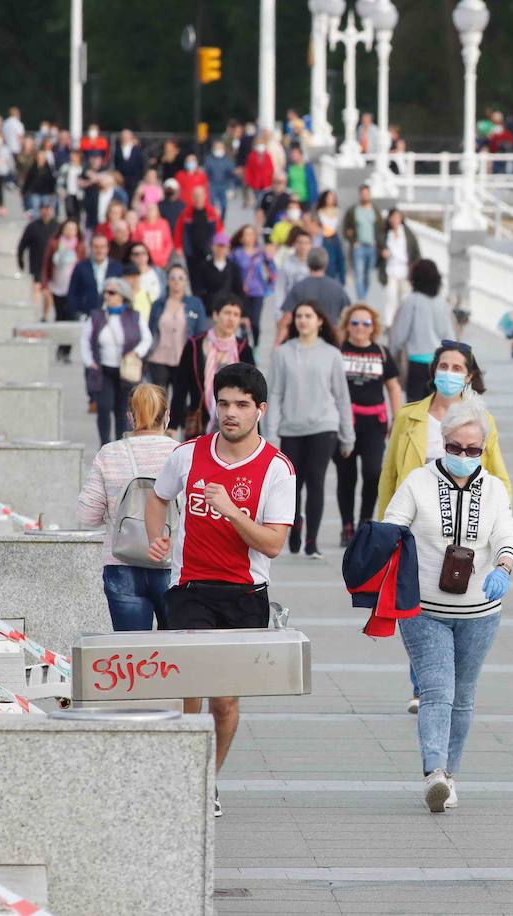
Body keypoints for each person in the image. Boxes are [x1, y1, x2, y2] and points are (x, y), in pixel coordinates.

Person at [147, 363, 296, 818]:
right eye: (224, 403)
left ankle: (209, 777)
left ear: (260, 410)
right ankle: (184, 776)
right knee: (188, 686)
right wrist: (158, 535)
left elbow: (272, 543)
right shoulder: (187, 454)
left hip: (245, 592)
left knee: (225, 699)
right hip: (189, 585)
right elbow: (157, 496)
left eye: (241, 406)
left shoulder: (277, 469)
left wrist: (231, 510)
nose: (230, 413)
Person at [382, 397, 513, 812]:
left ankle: (451, 776)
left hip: (480, 612)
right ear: (443, 442)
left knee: (464, 695)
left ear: (484, 449)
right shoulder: (417, 482)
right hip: (424, 608)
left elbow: (507, 534)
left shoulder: (494, 489)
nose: (463, 456)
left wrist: (504, 567)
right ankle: (434, 773)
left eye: (473, 450)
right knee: (437, 689)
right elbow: (391, 527)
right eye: (455, 448)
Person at [378, 341, 513, 714]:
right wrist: (385, 529)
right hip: (417, 524)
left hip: (466, 528)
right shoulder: (409, 416)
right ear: (433, 370)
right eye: (444, 366)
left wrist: (499, 514)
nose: (449, 374)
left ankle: (442, 687)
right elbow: (390, 474)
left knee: (456, 603)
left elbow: (497, 470)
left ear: (469, 376)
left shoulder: (483, 420)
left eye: (458, 368)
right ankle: (425, 686)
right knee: (419, 603)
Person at [77, 383, 181, 631]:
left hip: (121, 563)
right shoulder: (183, 454)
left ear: (130, 416)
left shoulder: (109, 454)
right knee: (179, 652)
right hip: (174, 564)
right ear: (167, 416)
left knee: (133, 656)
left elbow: (87, 515)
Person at [265, 301, 354, 559]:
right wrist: (270, 434)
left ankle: (312, 542)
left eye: (308, 316)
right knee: (293, 484)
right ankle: (295, 526)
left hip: (323, 427)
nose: (303, 320)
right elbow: (276, 394)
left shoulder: (332, 354)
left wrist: (348, 435)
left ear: (320, 321)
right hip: (291, 428)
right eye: (299, 316)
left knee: (315, 481)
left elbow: (342, 397)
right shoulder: (282, 353)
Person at [335, 304, 403, 545]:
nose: (360, 328)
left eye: (366, 323)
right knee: (346, 475)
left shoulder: (381, 352)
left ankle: (365, 521)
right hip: (345, 423)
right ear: (347, 326)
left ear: (373, 327)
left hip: (374, 423)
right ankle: (347, 526)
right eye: (354, 323)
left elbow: (393, 388)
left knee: (373, 472)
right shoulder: (338, 352)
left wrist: (397, 419)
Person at [171, 295, 256, 438]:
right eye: (227, 313)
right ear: (216, 315)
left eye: (236, 315)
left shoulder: (243, 349)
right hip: (200, 421)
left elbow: (253, 391)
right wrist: (172, 424)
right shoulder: (195, 345)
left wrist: (256, 431)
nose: (231, 319)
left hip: (234, 422)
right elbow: (180, 386)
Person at [82, 278, 153, 445]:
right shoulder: (96, 316)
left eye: (112, 292)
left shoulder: (134, 316)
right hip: (104, 369)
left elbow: (147, 339)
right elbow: (85, 340)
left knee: (124, 410)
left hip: (126, 371)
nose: (108, 296)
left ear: (122, 295)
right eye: (106, 292)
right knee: (104, 407)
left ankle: (121, 445)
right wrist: (89, 361)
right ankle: (105, 444)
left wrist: (136, 353)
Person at [390, 260, 454, 403]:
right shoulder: (442, 303)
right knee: (436, 410)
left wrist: (391, 359)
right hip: (438, 365)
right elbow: (450, 336)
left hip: (416, 364)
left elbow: (399, 337)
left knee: (415, 411)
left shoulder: (411, 301)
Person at [147, 264, 209, 391]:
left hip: (184, 358)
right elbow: (150, 329)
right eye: (173, 278)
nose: (177, 281)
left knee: (179, 400)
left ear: (186, 281)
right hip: (158, 357)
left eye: (181, 278)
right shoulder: (158, 304)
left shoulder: (195, 303)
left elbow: (201, 332)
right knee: (159, 400)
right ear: (167, 280)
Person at [276, 248, 352, 343]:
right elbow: (346, 316)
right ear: (326, 264)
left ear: (308, 263)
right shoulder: (337, 288)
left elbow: (287, 318)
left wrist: (278, 342)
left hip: (304, 340)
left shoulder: (298, 287)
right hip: (331, 340)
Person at [39, 217, 84, 363]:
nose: (70, 231)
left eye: (73, 229)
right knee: (60, 316)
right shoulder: (55, 243)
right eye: (68, 228)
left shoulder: (80, 246)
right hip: (57, 285)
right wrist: (44, 284)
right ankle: (60, 346)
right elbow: (46, 264)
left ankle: (66, 350)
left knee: (71, 318)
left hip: (74, 288)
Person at [230, 226, 277, 345]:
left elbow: (272, 269)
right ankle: (244, 348)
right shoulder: (236, 254)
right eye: (246, 234)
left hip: (258, 291)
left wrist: (270, 286)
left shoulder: (261, 253)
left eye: (251, 234)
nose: (249, 237)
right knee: (243, 322)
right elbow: (230, 272)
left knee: (255, 322)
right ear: (241, 238)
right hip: (241, 292)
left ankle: (256, 345)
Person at [379, 208, 420, 327]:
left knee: (405, 299)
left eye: (398, 217)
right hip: (391, 270)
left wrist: (415, 272)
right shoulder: (386, 234)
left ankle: (404, 322)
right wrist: (382, 253)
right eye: (393, 217)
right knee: (390, 297)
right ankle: (389, 323)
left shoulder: (407, 234)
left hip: (405, 270)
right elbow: (378, 248)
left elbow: (416, 252)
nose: (395, 220)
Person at [342, 185, 384, 301]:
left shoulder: (375, 211)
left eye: (367, 193)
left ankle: (365, 296)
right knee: (359, 274)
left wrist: (381, 246)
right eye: (363, 193)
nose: (365, 196)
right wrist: (353, 241)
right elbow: (346, 229)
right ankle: (361, 300)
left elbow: (380, 229)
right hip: (359, 246)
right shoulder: (353, 211)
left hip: (372, 247)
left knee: (369, 275)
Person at [68, 232, 114, 327]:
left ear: (107, 249)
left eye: (102, 247)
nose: (99, 250)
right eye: (96, 247)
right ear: (91, 248)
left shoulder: (116, 268)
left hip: (111, 317)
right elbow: (73, 292)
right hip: (87, 317)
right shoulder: (81, 267)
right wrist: (77, 313)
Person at [18, 201, 59, 305]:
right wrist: (20, 260)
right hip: (37, 263)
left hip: (53, 264)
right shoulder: (32, 227)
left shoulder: (57, 226)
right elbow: (22, 245)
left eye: (48, 209)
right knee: (37, 287)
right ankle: (37, 311)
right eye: (44, 209)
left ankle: (45, 314)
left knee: (48, 290)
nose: (46, 211)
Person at [174, 186, 223, 265]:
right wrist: (178, 247)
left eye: (200, 196)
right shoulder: (186, 213)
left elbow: (219, 231)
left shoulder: (212, 213)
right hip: (191, 253)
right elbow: (178, 231)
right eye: (196, 196)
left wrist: (219, 247)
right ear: (192, 197)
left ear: (205, 196)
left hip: (208, 252)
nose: (198, 198)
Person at [194, 231, 242, 306]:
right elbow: (198, 289)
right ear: (212, 247)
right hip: (208, 306)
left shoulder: (233, 267)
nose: (220, 249)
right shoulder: (203, 266)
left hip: (228, 306)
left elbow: (238, 289)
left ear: (228, 248)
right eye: (218, 246)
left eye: (223, 246)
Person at [314, 189, 347, 285]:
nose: (331, 199)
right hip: (323, 239)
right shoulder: (318, 212)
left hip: (335, 238)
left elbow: (342, 228)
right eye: (329, 197)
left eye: (332, 197)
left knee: (339, 260)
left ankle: (340, 281)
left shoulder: (339, 212)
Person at [126, 242, 165, 319]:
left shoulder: (159, 272)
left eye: (143, 253)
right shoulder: (127, 276)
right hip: (136, 315)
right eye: (136, 254)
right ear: (130, 257)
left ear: (148, 255)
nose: (141, 256)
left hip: (159, 314)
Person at [132, 202, 174, 269]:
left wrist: (164, 258)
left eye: (152, 209)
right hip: (145, 263)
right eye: (148, 209)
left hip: (162, 263)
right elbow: (135, 244)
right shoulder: (140, 225)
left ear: (157, 212)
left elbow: (169, 243)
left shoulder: (164, 224)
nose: (150, 211)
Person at [204, 141, 236, 218]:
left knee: (224, 205)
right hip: (212, 184)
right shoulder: (209, 159)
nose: (218, 149)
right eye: (217, 147)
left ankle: (221, 221)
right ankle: (212, 219)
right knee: (211, 204)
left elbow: (231, 173)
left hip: (224, 185)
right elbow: (205, 172)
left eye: (220, 147)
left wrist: (231, 187)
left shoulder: (227, 159)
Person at [112, 130, 146, 198]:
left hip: (134, 179)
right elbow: (116, 164)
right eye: (123, 137)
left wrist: (140, 179)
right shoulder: (118, 150)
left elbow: (141, 165)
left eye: (127, 137)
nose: (125, 138)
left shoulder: (137, 150)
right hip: (121, 179)